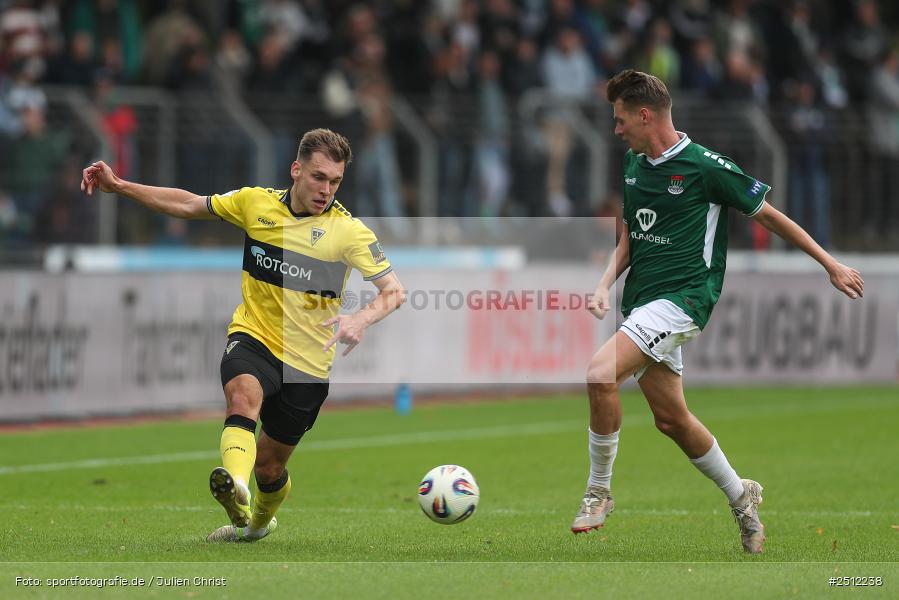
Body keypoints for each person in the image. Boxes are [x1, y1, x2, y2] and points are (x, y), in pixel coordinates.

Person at [572, 71, 863, 553]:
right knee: (672, 419)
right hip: (642, 301)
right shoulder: (633, 164)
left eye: (621, 119)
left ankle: (598, 490)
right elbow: (631, 235)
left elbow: (769, 214)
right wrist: (605, 282)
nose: (617, 129)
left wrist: (829, 264)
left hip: (685, 299)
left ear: (645, 115)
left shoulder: (707, 167)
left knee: (600, 375)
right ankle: (741, 496)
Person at [80, 128, 406, 543]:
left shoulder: (349, 232)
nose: (326, 189)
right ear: (296, 169)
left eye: (335, 181)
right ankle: (235, 483)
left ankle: (254, 524)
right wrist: (120, 185)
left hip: (307, 364)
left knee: (270, 468)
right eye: (318, 177)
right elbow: (188, 204)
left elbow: (394, 292)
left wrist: (359, 320)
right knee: (242, 395)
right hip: (254, 336)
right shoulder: (256, 203)